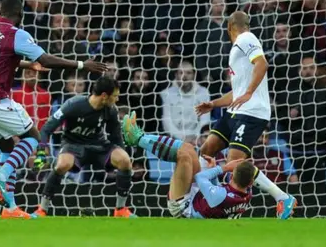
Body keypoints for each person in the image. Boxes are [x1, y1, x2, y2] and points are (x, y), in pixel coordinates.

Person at [0, 0, 107, 219]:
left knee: (6, 148)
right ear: (19, 16)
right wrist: (82, 64)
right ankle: (3, 174)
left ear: (0, 13)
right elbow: (47, 59)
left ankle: (9, 208)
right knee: (34, 137)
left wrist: (27, 64)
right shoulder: (17, 33)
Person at [194, 11, 297, 219]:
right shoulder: (237, 50)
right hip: (235, 110)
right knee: (207, 148)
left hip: (252, 112)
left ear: (229, 27)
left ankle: (282, 197)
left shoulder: (245, 38)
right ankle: (208, 198)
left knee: (235, 160)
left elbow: (262, 64)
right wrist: (213, 104)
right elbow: (237, 92)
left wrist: (249, 92)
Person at [31, 76, 135, 218]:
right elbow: (46, 129)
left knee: (124, 160)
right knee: (62, 165)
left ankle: (120, 210)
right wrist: (41, 152)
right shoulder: (73, 105)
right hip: (73, 145)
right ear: (104, 96)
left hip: (99, 145)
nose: (117, 100)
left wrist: (124, 154)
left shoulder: (110, 110)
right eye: (115, 96)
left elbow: (116, 137)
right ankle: (42, 210)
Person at [122, 112, 253, 219]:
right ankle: (139, 136)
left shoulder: (224, 196)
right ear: (250, 184)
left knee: (183, 157)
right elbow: (217, 192)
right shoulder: (244, 195)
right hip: (198, 198)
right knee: (189, 148)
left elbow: (201, 178)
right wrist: (213, 169)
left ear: (231, 177)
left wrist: (222, 168)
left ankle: (138, 139)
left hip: (183, 208)